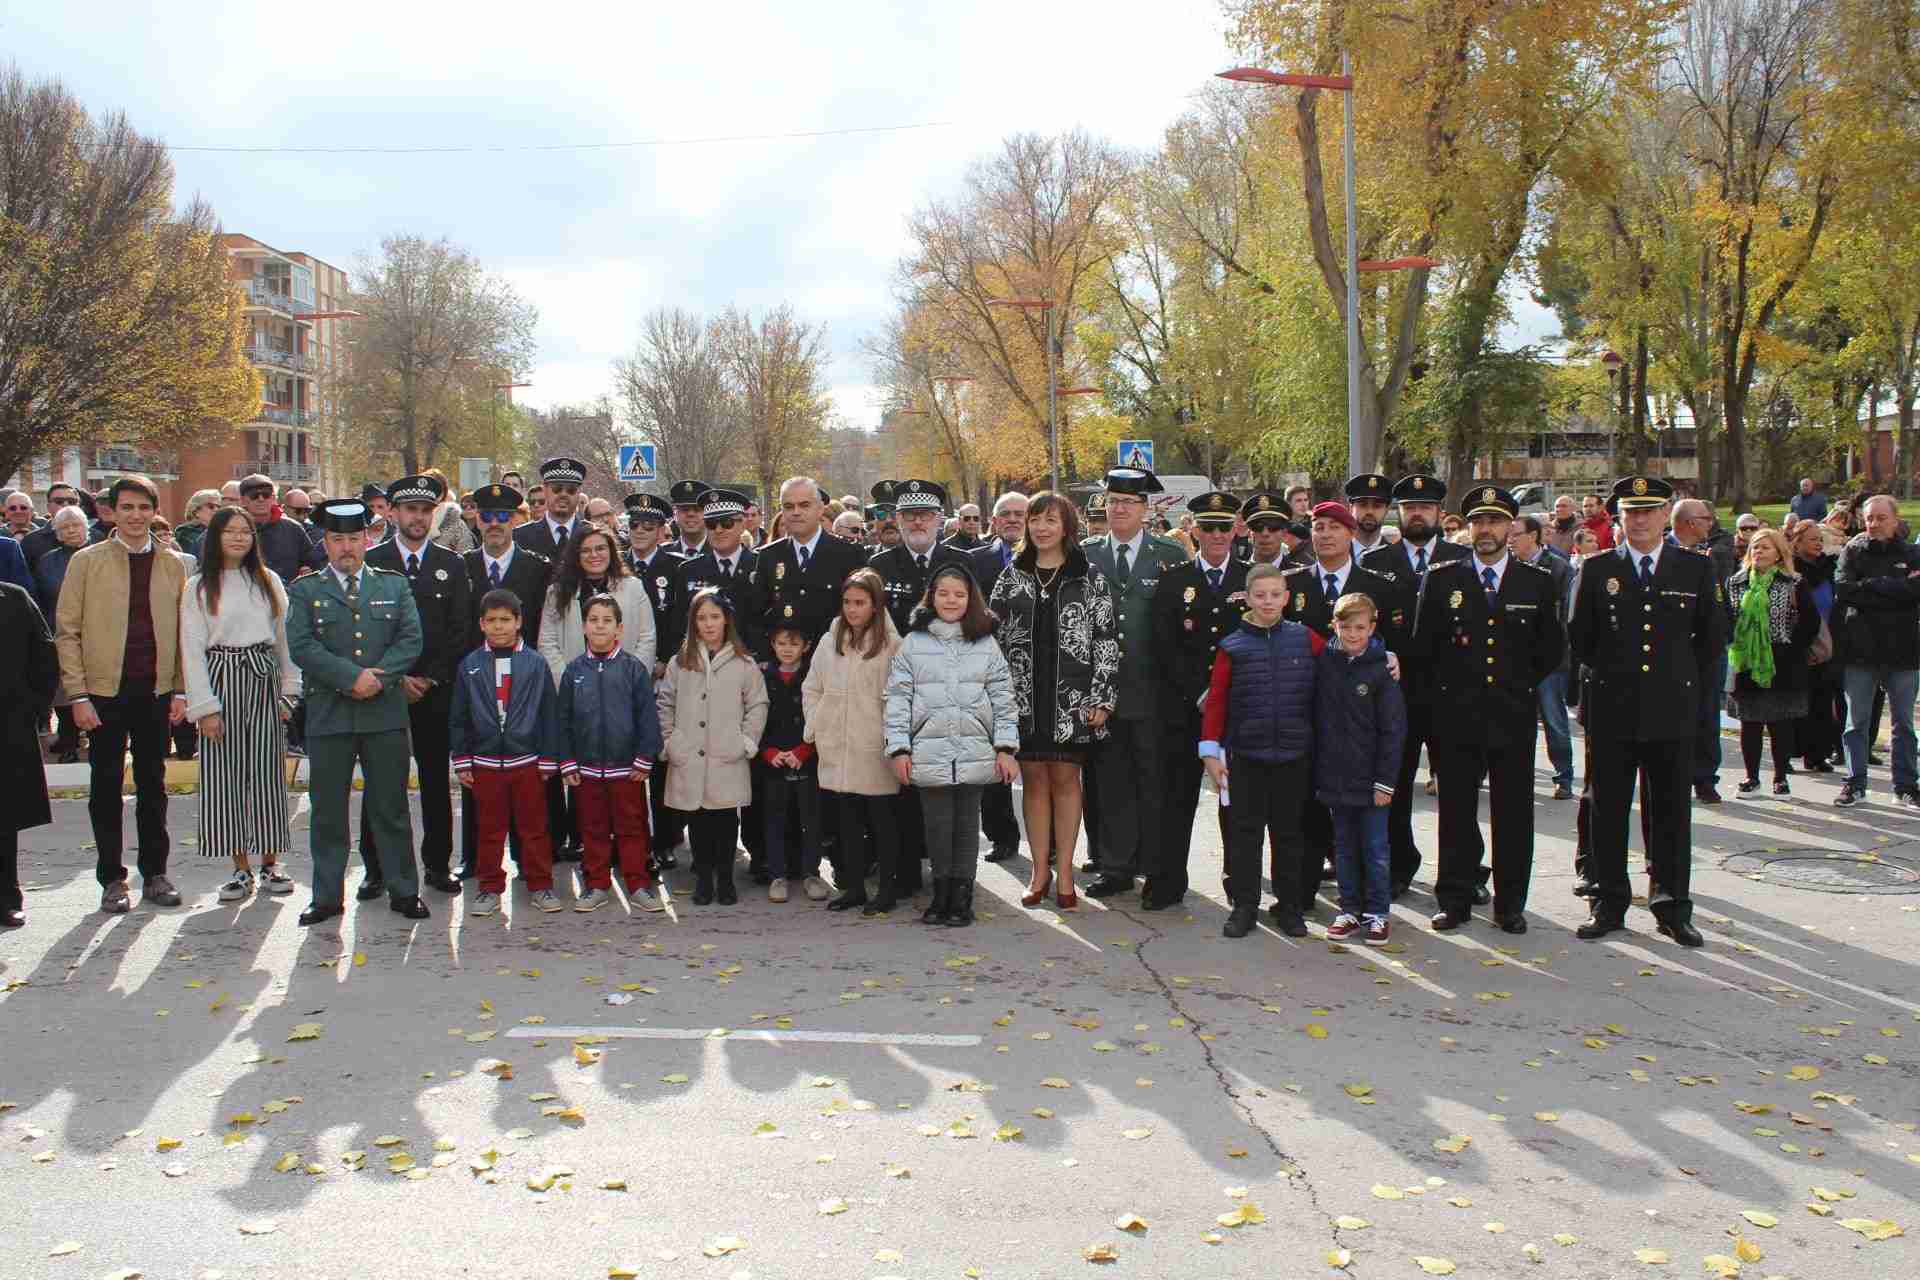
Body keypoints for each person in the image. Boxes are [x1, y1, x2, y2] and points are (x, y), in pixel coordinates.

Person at [1566, 476, 1720, 947]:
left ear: (1664, 514)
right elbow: (1581, 639)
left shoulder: (1694, 569)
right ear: (1619, 517)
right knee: (1608, 809)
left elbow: (1711, 640)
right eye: (1631, 512)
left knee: (1671, 812)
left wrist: (1689, 694)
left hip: (1671, 708)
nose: (1640, 520)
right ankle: (1608, 903)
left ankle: (1672, 906)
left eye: (1649, 511)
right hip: (1612, 708)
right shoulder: (1596, 570)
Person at [1414, 485, 1564, 934]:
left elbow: (1551, 648)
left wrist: (1517, 685)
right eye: (1478, 521)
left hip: (1511, 713)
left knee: (1513, 811)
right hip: (1457, 714)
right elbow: (1426, 648)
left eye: (1495, 522)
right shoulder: (1443, 578)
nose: (1486, 530)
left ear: (1511, 528)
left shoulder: (1535, 581)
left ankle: (1510, 904)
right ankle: (1455, 899)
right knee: (1457, 811)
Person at [284, 497, 426, 927]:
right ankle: (326, 896)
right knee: (327, 810)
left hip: (384, 713)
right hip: (330, 715)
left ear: (368, 538)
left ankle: (404, 891)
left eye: (354, 538)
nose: (347, 547)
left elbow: (410, 640)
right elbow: (302, 645)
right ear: (324, 542)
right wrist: (351, 678)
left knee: (391, 807)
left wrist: (378, 680)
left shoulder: (393, 585)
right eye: (337, 539)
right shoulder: (306, 589)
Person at [54, 475, 190, 913]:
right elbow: (67, 632)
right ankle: (112, 878)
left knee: (154, 785)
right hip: (102, 694)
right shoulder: (87, 561)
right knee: (105, 786)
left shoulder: (173, 564)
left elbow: (186, 632)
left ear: (154, 511)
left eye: (143, 508)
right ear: (110, 511)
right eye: (126, 507)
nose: (135, 516)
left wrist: (181, 689)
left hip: (155, 691)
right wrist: (77, 695)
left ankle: (156, 873)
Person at [988, 491, 1117, 912]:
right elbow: (993, 641)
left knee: (1065, 782)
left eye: (1051, 520)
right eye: (1035, 520)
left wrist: (1102, 697)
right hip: (1022, 699)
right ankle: (1039, 870)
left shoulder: (1089, 576)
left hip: (1073, 701)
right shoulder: (1012, 576)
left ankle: (1065, 872)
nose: (1042, 528)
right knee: (1033, 783)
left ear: (1067, 527)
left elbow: (1106, 640)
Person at [886, 562, 1020, 927]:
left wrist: (1005, 747)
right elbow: (897, 697)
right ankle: (941, 892)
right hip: (929, 750)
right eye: (943, 593)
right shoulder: (914, 642)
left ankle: (962, 894)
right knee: (938, 825)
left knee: (965, 827)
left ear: (971, 599)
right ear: (931, 596)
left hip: (975, 748)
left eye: (959, 594)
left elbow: (1003, 697)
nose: (951, 600)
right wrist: (899, 748)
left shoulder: (985, 641)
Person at [180, 507, 300, 902]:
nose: (237, 538)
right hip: (220, 677)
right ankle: (239, 868)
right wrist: (205, 707)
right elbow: (192, 649)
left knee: (267, 774)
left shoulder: (268, 581)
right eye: (229, 531)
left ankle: (270, 863)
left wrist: (289, 691)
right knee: (224, 778)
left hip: (262, 676)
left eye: (245, 531)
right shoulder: (199, 586)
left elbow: (285, 640)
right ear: (214, 537)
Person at [359, 475, 472, 897]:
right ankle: (375, 868)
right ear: (392, 513)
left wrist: (429, 677)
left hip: (435, 689)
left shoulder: (452, 563)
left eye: (426, 510)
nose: (418, 518)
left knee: (435, 783)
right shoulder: (374, 561)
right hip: (386, 690)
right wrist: (396, 678)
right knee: (381, 781)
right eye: (410, 510)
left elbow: (460, 630)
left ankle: (438, 864)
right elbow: (366, 632)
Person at [1082, 467, 1188, 901]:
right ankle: (1115, 865)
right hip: (1103, 691)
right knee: (1110, 782)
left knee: (1154, 780)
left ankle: (1154, 863)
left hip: (1154, 690)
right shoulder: (1087, 553)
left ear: (1146, 509)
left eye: (1129, 501)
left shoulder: (1170, 554)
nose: (1120, 508)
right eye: (1113, 501)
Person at [1200, 564, 1322, 937]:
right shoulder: (1232, 646)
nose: (1268, 602)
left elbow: (1344, 659)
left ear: (1287, 598)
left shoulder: (1306, 639)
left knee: (1289, 835)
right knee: (1244, 835)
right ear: (1247, 599)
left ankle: (1289, 907)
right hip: (1246, 756)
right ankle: (1244, 905)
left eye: (1275, 595)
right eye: (1260, 595)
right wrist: (1210, 752)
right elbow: (1217, 702)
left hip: (1294, 754)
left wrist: (1385, 657)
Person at [1359, 475, 1468, 890]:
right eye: (1409, 507)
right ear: (1398, 513)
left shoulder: (1462, 559)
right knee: (1395, 787)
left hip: (1449, 694)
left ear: (1440, 512)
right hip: (1395, 695)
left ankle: (1460, 875)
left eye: (1425, 506)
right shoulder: (1377, 563)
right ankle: (1397, 867)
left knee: (1456, 793)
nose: (1417, 513)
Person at [1150, 491, 1248, 910]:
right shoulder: (1175, 580)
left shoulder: (1252, 579)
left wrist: (1224, 696)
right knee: (1174, 799)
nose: (1216, 535)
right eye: (1208, 527)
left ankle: (1241, 890)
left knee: (1237, 804)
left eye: (1224, 527)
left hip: (1238, 711)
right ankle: (1167, 882)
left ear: (1235, 530)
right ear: (1194, 530)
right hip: (1184, 709)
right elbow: (1163, 647)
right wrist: (1198, 693)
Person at [451, 589, 563, 915]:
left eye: (506, 620)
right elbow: (459, 716)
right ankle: (489, 888)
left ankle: (540, 885)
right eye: (492, 621)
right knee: (489, 829)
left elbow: (548, 714)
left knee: (534, 827)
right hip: (485, 762)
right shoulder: (470, 665)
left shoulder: (535, 663)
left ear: (519, 622)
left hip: (526, 760)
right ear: (482, 624)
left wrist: (547, 757)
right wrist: (462, 758)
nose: (499, 627)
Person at [657, 587, 768, 905]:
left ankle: (726, 878)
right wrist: (670, 740)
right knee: (698, 820)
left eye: (714, 617)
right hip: (689, 752)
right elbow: (665, 702)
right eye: (701, 618)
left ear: (726, 620)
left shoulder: (743, 663)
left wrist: (746, 741)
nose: (708, 624)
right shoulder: (681, 662)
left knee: (724, 819)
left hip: (726, 754)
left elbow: (758, 704)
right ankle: (703, 878)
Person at [557, 592, 665, 911]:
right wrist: (567, 761)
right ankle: (596, 884)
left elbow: (648, 718)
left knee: (632, 827)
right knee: (592, 829)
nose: (600, 627)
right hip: (587, 770)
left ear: (619, 629)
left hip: (626, 769)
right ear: (584, 627)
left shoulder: (633, 670)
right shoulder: (573, 671)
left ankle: (638, 883)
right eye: (593, 620)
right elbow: (562, 721)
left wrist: (645, 758)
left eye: (607, 621)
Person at [804, 568, 904, 914]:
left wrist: (892, 737)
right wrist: (817, 724)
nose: (852, 609)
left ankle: (888, 889)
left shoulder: (892, 645)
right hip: (837, 743)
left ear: (875, 605)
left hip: (874, 745)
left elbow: (902, 695)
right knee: (847, 822)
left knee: (882, 822)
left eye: (860, 602)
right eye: (847, 602)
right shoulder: (830, 640)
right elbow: (812, 686)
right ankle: (855, 887)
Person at [1316, 593, 1406, 945]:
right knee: (1343, 848)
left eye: (1360, 628)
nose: (1352, 635)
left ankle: (1378, 913)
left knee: (1375, 848)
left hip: (1371, 778)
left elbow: (1393, 729)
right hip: (1336, 774)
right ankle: (1349, 909)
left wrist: (1386, 781)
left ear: (1372, 627)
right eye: (1345, 627)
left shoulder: (1382, 666)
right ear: (1334, 626)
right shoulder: (1325, 660)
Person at [1832, 494, 1920, 807]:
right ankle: (1855, 782)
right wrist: (1893, 587)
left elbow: (1915, 591)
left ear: (1895, 520)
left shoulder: (1912, 554)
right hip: (1861, 650)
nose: (1874, 523)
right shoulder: (1852, 552)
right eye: (1869, 518)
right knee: (1856, 722)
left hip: (1903, 651)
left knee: (1903, 724)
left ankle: (1906, 785)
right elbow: (1843, 590)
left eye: (1881, 517)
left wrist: (1869, 586)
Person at [1723, 527, 1821, 797]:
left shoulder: (1793, 582)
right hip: (1745, 660)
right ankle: (1751, 778)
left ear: (1779, 553)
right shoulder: (1736, 582)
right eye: (1754, 546)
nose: (1758, 552)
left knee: (1780, 723)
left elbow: (1810, 622)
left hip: (1783, 659)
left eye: (1765, 547)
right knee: (1750, 722)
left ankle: (1780, 777)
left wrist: (1791, 648)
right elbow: (1727, 617)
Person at [623, 492, 686, 869]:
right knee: (628, 762)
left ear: (662, 530)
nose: (640, 532)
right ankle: (631, 838)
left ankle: (664, 839)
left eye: (649, 526)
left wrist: (665, 660)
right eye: (634, 525)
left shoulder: (676, 567)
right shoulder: (617, 566)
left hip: (662, 674)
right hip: (624, 675)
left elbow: (680, 620)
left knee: (660, 762)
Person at [969, 491, 1028, 865]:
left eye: (1019, 514)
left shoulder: (1050, 558)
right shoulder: (975, 561)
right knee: (994, 758)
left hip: (1035, 671)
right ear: (993, 521)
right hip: (987, 672)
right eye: (1004, 514)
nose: (1012, 520)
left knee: (1037, 760)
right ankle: (1001, 835)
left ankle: (1048, 840)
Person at [751, 477, 868, 659]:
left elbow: (861, 615)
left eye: (804, 505)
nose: (796, 512)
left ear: (820, 509)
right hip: (784, 668)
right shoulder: (769, 556)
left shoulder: (849, 554)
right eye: (789, 507)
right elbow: (757, 616)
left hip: (835, 662)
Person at [0, 578, 57, 928]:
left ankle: (7, 897)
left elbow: (44, 652)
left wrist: (33, 709)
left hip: (7, 724)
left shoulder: (13, 597)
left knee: (3, 819)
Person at [756, 623, 825, 902]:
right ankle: (777, 875)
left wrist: (805, 750)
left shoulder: (813, 675)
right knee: (774, 819)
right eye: (781, 643)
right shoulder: (762, 676)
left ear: (806, 647)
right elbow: (753, 717)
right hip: (773, 760)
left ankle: (811, 873)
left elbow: (822, 716)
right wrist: (767, 752)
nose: (787, 649)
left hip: (805, 759)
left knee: (811, 820)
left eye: (794, 644)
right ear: (772, 644)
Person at [1509, 514, 1575, 797]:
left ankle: (1564, 776)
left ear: (1533, 537)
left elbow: (1565, 615)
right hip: (1513, 658)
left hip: (1550, 660)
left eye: (1516, 535)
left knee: (1553, 718)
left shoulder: (1557, 568)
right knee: (1512, 719)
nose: (1510, 540)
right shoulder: (1508, 567)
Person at [34, 506, 91, 761]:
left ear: (85, 527)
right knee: (64, 687)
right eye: (64, 527)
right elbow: (43, 598)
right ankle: (69, 738)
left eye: (75, 525)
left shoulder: (99, 554)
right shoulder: (48, 561)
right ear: (56, 533)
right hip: (61, 631)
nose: (70, 530)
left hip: (96, 632)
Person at [1791, 517, 1843, 772]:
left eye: (1820, 540)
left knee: (1822, 700)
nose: (1818, 544)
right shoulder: (1790, 570)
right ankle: (1789, 751)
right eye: (1813, 539)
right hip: (1797, 641)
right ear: (1797, 542)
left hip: (1826, 642)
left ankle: (1818, 754)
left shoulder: (1828, 569)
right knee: (1796, 698)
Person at [238, 474, 324, 584]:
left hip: (288, 596)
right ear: (243, 500)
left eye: (266, 494)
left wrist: (307, 573)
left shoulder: (293, 528)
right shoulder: (232, 530)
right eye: (254, 495)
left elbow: (314, 565)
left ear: (273, 498)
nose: (261, 499)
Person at [514, 457, 588, 560]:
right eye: (557, 489)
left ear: (579, 492)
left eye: (571, 490)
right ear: (544, 490)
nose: (563, 494)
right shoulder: (520, 536)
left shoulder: (591, 533)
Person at [1345, 473, 1392, 558]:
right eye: (1363, 505)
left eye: (1377, 506)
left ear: (1386, 510)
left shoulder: (1397, 557)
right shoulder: (1335, 553)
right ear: (1351, 508)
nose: (1369, 511)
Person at [665, 479, 711, 558]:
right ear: (675, 514)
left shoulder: (720, 552)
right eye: (685, 509)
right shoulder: (663, 554)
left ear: (707, 513)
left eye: (697, 509)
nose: (690, 514)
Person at [175, 489, 221, 559]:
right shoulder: (185, 532)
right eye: (211, 506)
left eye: (219, 507)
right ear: (196, 510)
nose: (216, 510)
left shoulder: (218, 531)